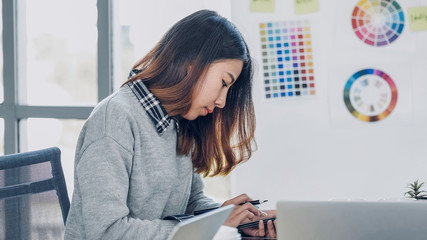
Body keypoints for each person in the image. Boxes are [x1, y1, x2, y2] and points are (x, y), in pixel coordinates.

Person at [64, 9, 276, 239]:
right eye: (224, 83)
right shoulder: (114, 120)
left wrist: (231, 219)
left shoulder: (177, 122)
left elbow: (190, 203)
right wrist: (214, 227)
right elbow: (106, 232)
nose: (222, 101)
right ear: (192, 64)